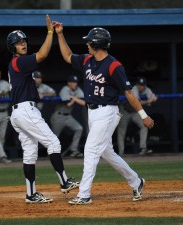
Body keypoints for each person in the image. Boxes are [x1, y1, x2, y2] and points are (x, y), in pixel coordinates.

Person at [55, 24, 154, 204]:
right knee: (107, 153)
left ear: (97, 43)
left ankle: (84, 195)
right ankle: (136, 181)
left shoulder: (114, 66)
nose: (86, 44)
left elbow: (129, 93)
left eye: (89, 42)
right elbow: (68, 56)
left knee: (91, 150)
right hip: (93, 112)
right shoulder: (87, 60)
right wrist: (60, 35)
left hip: (108, 112)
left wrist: (143, 115)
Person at [7, 15, 79, 203]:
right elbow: (42, 55)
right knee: (54, 143)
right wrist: (49, 32)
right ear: (12, 47)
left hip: (18, 112)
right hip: (25, 110)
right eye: (18, 42)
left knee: (30, 153)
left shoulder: (16, 64)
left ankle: (31, 194)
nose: (23, 44)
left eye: (24, 41)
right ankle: (64, 182)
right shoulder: (19, 61)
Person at [117, 76, 158, 156]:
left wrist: (151, 99)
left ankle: (143, 148)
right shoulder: (134, 89)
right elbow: (137, 102)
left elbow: (154, 97)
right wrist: (147, 102)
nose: (140, 86)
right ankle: (121, 153)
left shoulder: (147, 89)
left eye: (142, 85)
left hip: (135, 112)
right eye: (139, 84)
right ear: (137, 84)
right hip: (125, 110)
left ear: (145, 85)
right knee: (121, 131)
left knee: (144, 125)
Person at [50, 75, 84, 157]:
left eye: (76, 82)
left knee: (79, 128)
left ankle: (74, 150)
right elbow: (68, 104)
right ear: (69, 83)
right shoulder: (64, 90)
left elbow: (83, 103)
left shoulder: (78, 89)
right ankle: (52, 153)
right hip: (58, 116)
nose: (75, 84)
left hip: (68, 116)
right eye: (73, 82)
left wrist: (73, 98)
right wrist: (75, 99)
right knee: (54, 136)